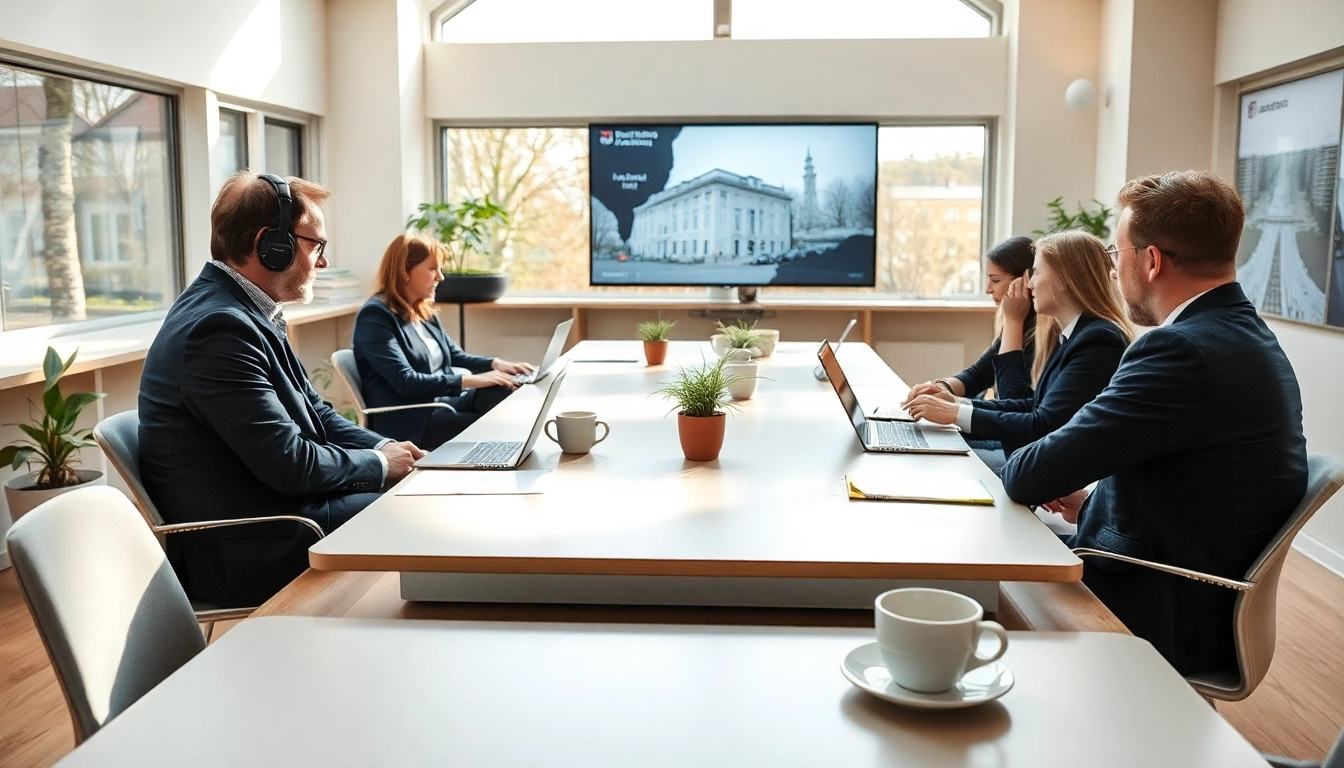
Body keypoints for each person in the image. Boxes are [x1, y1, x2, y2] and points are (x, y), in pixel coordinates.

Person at [1000, 170, 1307, 675]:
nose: (1115, 274)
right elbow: (1194, 482)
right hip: (1196, 590)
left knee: (979, 580)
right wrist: (1090, 501)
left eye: (1117, 257)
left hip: (1156, 601)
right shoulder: (1249, 336)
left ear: (1151, 260)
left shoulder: (1179, 350)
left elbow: (1028, 474)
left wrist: (1058, 479)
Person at [139, 171, 425, 609]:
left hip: (279, 511)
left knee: (416, 493)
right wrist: (377, 464)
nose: (323, 262)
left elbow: (318, 413)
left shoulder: (246, 312)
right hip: (249, 544)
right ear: (271, 245)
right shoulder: (217, 329)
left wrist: (388, 446)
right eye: (317, 245)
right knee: (412, 509)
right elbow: (291, 464)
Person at [907, 231, 1133, 462]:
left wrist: (955, 413)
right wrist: (956, 402)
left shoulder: (1096, 341)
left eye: (1036, 273)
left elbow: (1044, 423)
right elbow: (1035, 406)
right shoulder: (1075, 334)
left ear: (1065, 280)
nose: (1031, 284)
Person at [352, 233, 535, 448]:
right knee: (495, 425)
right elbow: (406, 382)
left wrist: (496, 365)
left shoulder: (422, 310)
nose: (440, 277)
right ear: (405, 271)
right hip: (413, 421)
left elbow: (455, 355)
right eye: (432, 269)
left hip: (441, 404)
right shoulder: (375, 316)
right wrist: (475, 380)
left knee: (503, 390)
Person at [904, 236, 1039, 404]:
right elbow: (978, 375)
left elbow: (1012, 401)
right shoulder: (1020, 324)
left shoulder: (1036, 332)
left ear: (1026, 280)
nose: (988, 289)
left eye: (995, 280)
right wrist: (940, 387)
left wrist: (1013, 322)